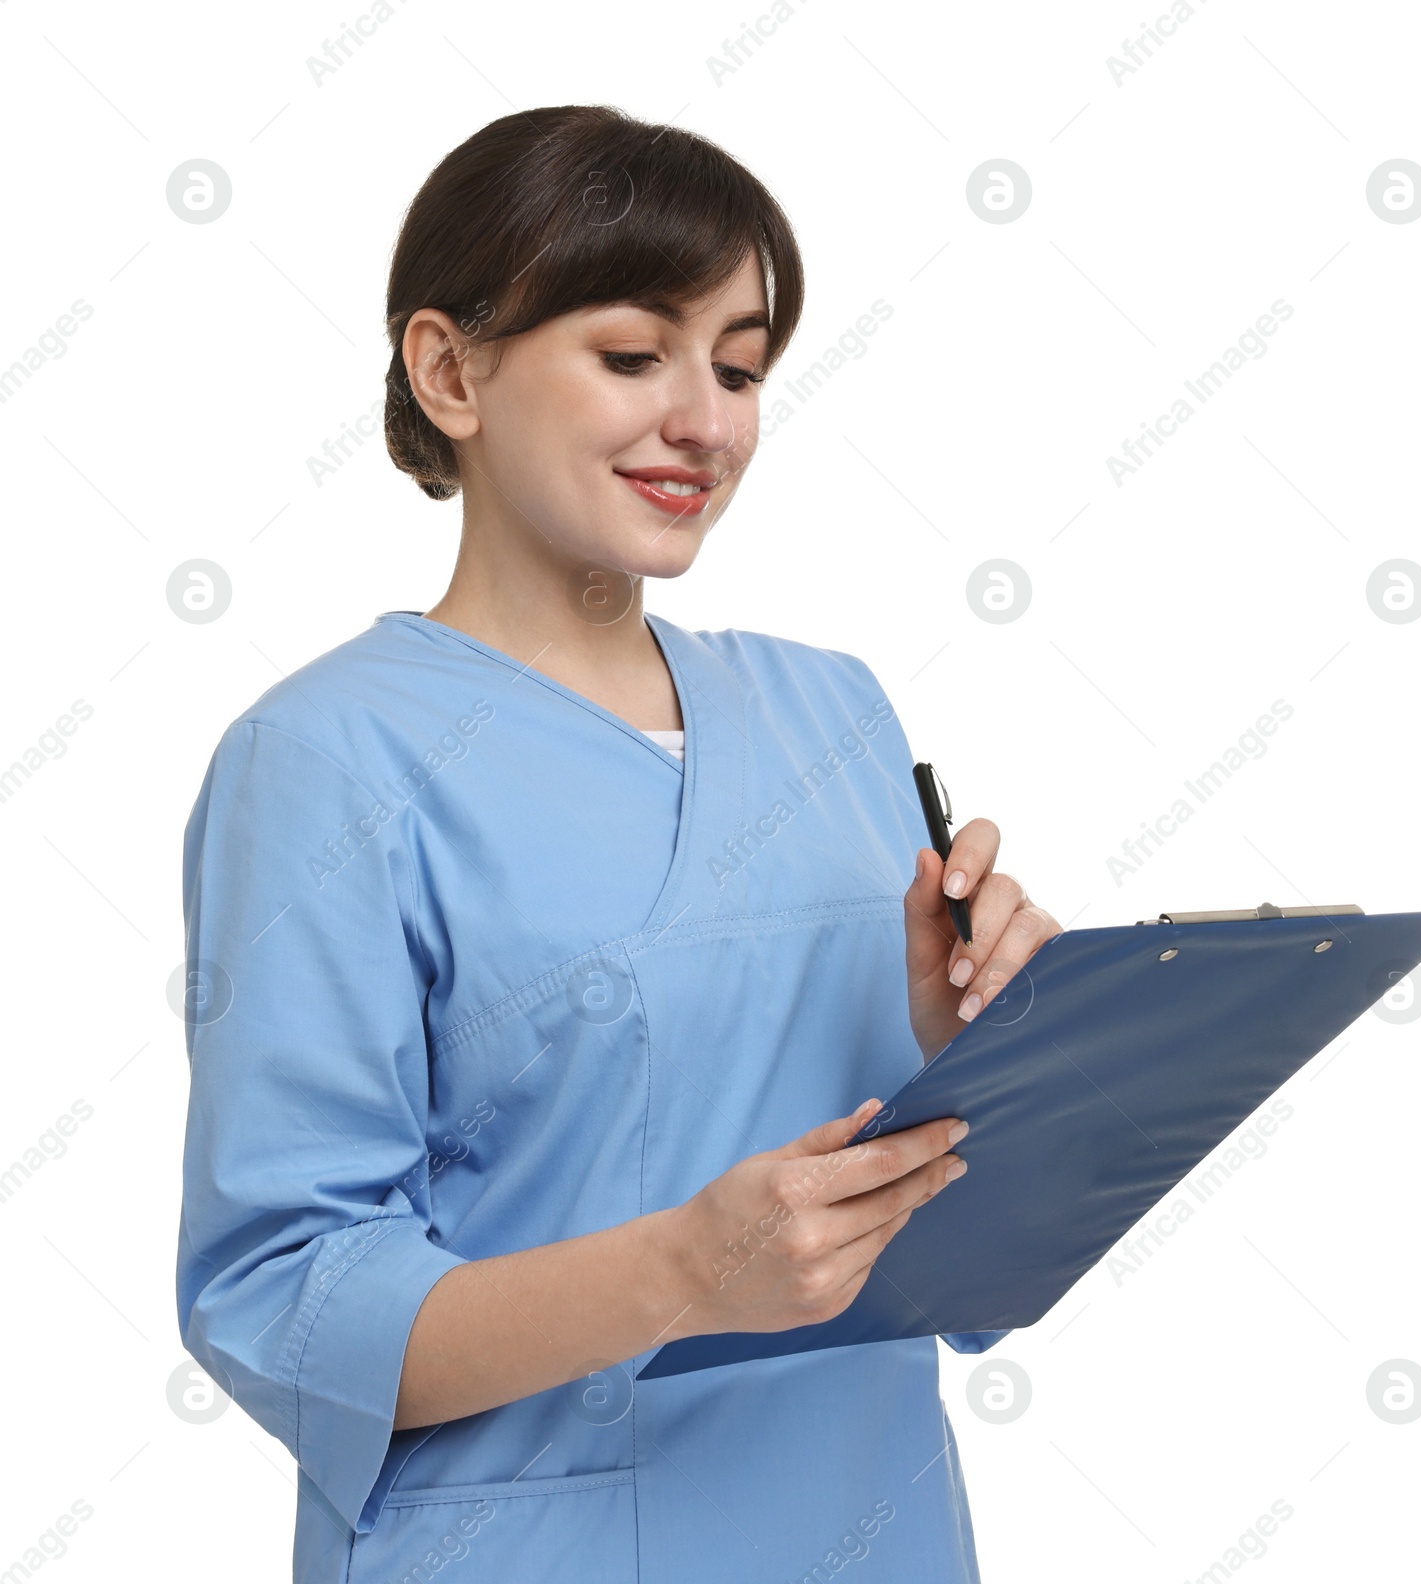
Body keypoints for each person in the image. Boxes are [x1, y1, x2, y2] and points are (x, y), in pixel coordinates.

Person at [176, 104, 1062, 1583]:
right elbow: (288, 1301)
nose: (705, 421)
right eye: (634, 354)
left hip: (876, 1527)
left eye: (740, 365)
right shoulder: (327, 760)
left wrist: (971, 1048)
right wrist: (677, 1272)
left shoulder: (831, 713)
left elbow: (959, 1263)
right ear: (450, 370)